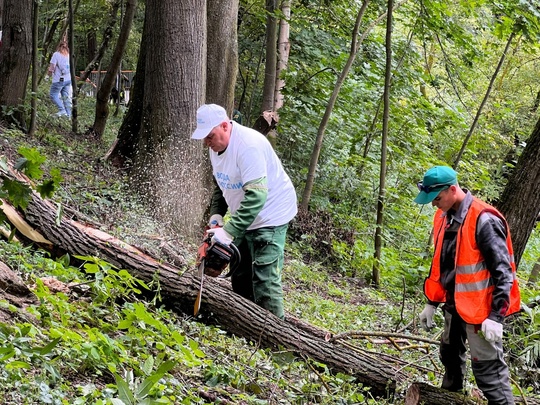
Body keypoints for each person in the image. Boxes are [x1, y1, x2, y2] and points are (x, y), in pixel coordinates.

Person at [415, 166, 520, 405]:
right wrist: (432, 302)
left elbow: (504, 273)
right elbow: (442, 262)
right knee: (450, 356)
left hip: (481, 312)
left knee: (489, 373)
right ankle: (449, 400)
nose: (434, 205)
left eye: (437, 198)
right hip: (454, 303)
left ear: (453, 189)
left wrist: (496, 316)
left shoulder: (483, 219)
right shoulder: (443, 216)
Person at [191, 103, 298, 320]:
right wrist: (217, 218)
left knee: (264, 279)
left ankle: (276, 339)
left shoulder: (248, 146)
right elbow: (221, 185)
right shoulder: (216, 147)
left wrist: (228, 232)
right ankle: (247, 326)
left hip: (271, 213)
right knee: (240, 273)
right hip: (247, 213)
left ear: (224, 126)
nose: (206, 142)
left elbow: (258, 196)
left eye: (209, 136)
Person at [47, 41, 72, 117]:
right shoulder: (68, 55)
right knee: (65, 97)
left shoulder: (56, 54)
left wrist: (48, 76)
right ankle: (69, 115)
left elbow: (52, 68)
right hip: (68, 79)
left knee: (53, 94)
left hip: (58, 80)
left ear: (58, 46)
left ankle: (62, 110)